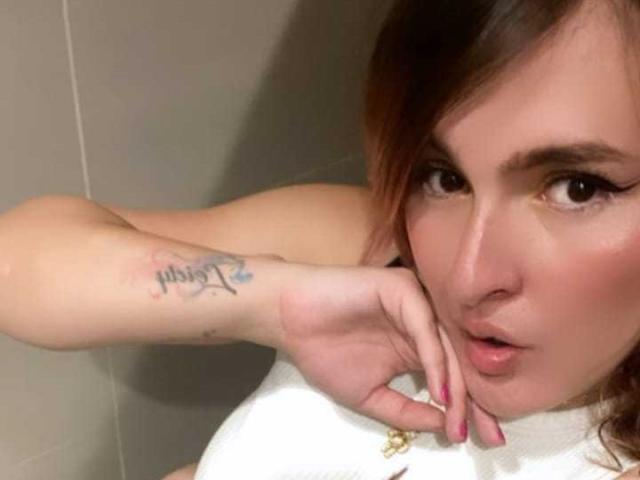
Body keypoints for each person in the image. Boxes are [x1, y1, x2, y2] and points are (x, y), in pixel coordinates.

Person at [1, 0, 639, 478]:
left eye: (577, 188)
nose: (468, 277)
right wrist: (270, 302)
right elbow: (17, 260)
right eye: (444, 178)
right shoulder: (370, 249)